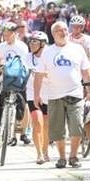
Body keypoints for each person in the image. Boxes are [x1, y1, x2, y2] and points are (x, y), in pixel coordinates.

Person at [33, 21, 90, 169]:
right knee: (57, 130)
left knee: (77, 126)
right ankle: (61, 157)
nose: (64, 32)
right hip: (55, 95)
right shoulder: (48, 52)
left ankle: (73, 156)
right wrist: (36, 95)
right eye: (60, 30)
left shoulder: (77, 49)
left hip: (75, 94)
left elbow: (86, 72)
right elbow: (39, 75)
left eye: (66, 30)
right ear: (53, 34)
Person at [26, 31, 50, 164]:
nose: (31, 44)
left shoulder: (49, 55)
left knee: (46, 125)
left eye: (34, 41)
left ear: (42, 44)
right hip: (32, 93)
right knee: (37, 123)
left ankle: (45, 150)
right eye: (30, 41)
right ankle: (39, 153)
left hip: (48, 94)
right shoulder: (27, 57)